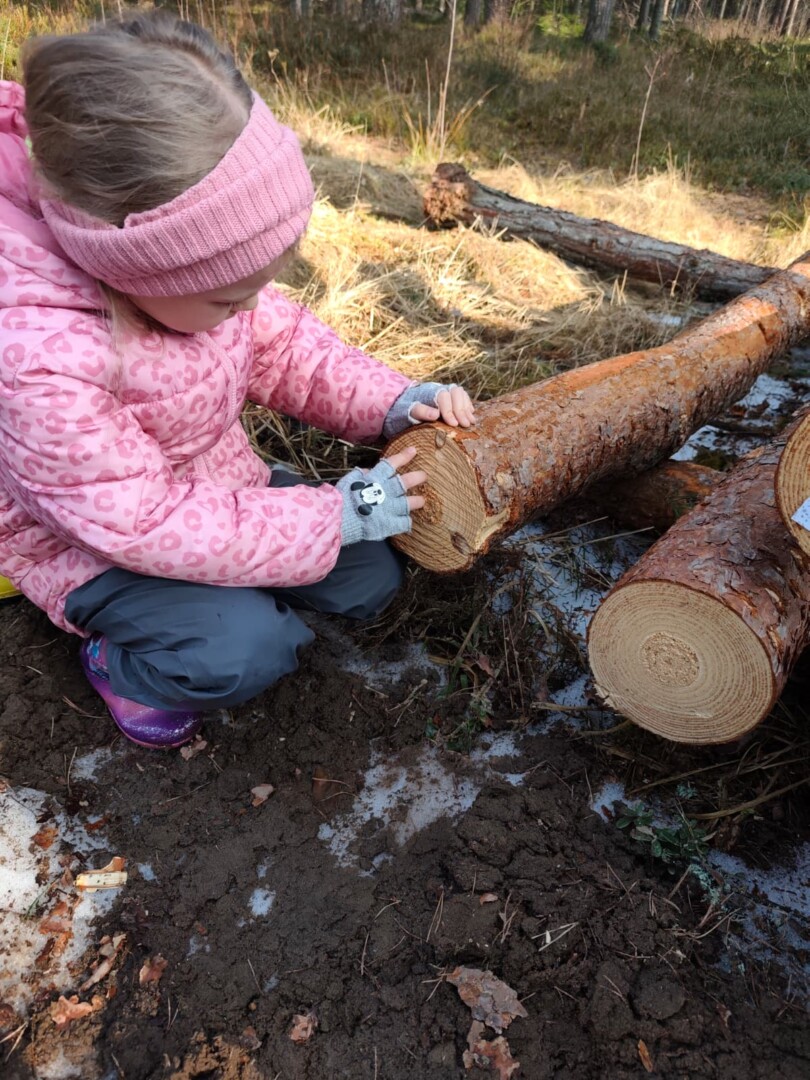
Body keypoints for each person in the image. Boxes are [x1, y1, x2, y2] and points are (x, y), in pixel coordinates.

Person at [0, 11, 475, 749]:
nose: (250, 308)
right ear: (132, 270)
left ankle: (241, 586)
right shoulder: (38, 357)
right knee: (244, 650)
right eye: (229, 298)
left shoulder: (194, 286)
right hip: (97, 546)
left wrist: (393, 403)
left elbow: (286, 350)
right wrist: (330, 518)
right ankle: (119, 664)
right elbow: (141, 521)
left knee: (370, 577)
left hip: (218, 487)